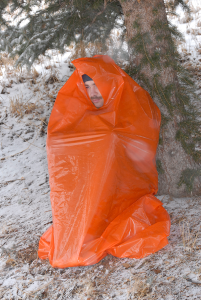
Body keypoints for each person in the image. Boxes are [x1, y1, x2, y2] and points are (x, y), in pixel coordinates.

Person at [38, 55, 170, 268]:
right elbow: (62, 141)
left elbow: (136, 138)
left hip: (120, 194)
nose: (93, 92)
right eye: (87, 86)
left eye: (97, 85)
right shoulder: (81, 113)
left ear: (111, 83)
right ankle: (81, 230)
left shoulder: (131, 106)